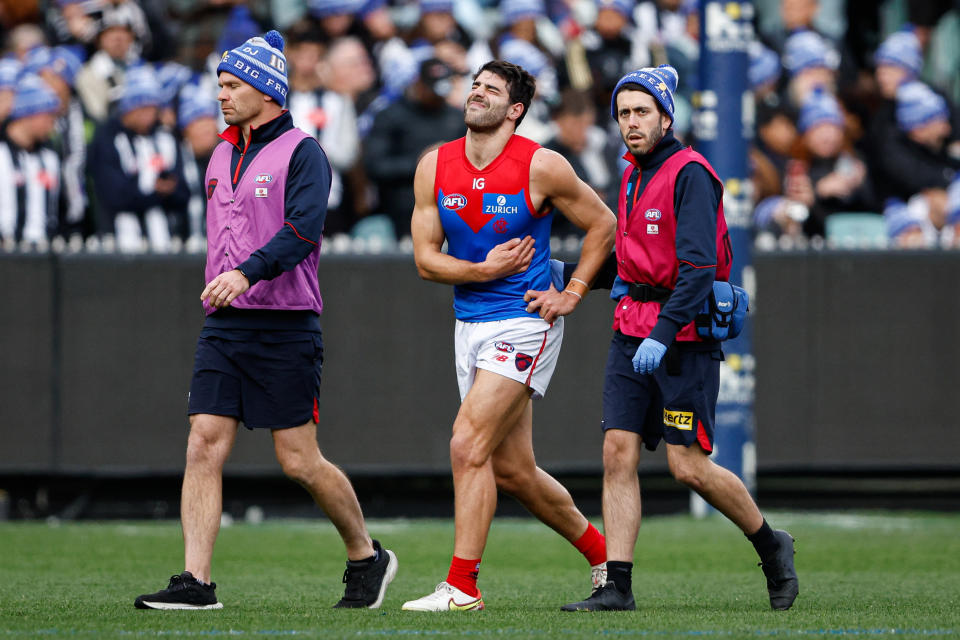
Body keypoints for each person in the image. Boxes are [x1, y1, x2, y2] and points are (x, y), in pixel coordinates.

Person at [133, 30, 397, 611]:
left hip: (285, 322)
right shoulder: (222, 151)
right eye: (219, 85)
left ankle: (366, 555)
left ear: (267, 90)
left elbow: (303, 231)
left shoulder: (305, 151)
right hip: (224, 322)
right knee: (203, 442)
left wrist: (246, 273)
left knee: (299, 461)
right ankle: (195, 583)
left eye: (232, 85)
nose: (221, 96)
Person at [560, 65, 798, 612]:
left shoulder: (690, 173)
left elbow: (697, 269)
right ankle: (616, 585)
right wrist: (572, 276)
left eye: (642, 111)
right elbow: (630, 263)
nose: (631, 122)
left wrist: (663, 336)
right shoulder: (631, 173)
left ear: (667, 116)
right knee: (616, 453)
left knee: (687, 466)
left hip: (681, 338)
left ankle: (771, 544)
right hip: (630, 331)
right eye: (623, 113)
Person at [401, 59, 616, 612]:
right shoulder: (435, 165)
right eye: (475, 85)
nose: (476, 93)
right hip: (469, 321)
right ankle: (606, 557)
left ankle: (462, 587)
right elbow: (425, 261)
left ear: (514, 110)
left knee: (467, 444)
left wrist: (574, 292)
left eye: (490, 90)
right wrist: (479, 271)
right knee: (513, 470)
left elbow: (604, 224)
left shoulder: (540, 166)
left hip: (524, 321)